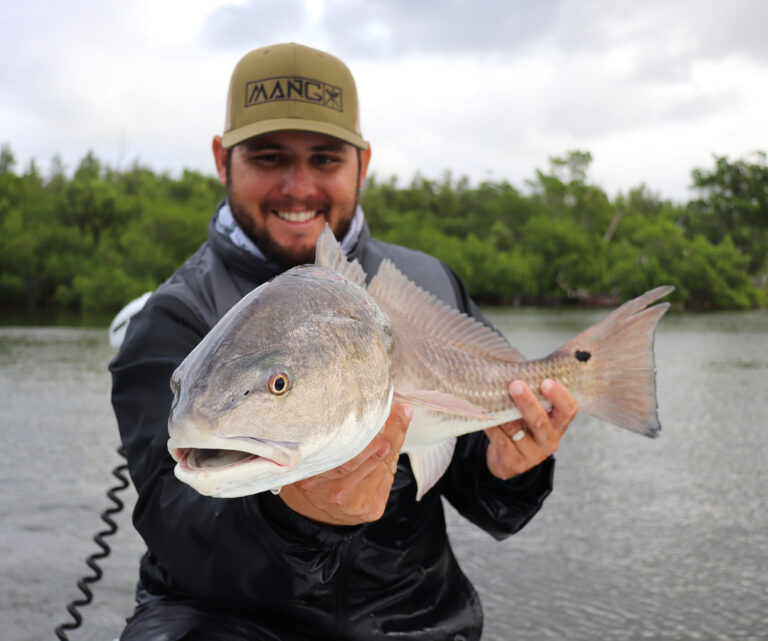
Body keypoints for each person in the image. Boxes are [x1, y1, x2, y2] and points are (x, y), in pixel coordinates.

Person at [110, 42, 578, 641]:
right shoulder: (172, 317)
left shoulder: (429, 282)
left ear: (364, 162)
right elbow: (178, 530)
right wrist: (299, 520)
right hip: (227, 621)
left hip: (415, 618)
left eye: (325, 159)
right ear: (222, 159)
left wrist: (509, 469)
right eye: (268, 156)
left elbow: (479, 489)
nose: (297, 187)